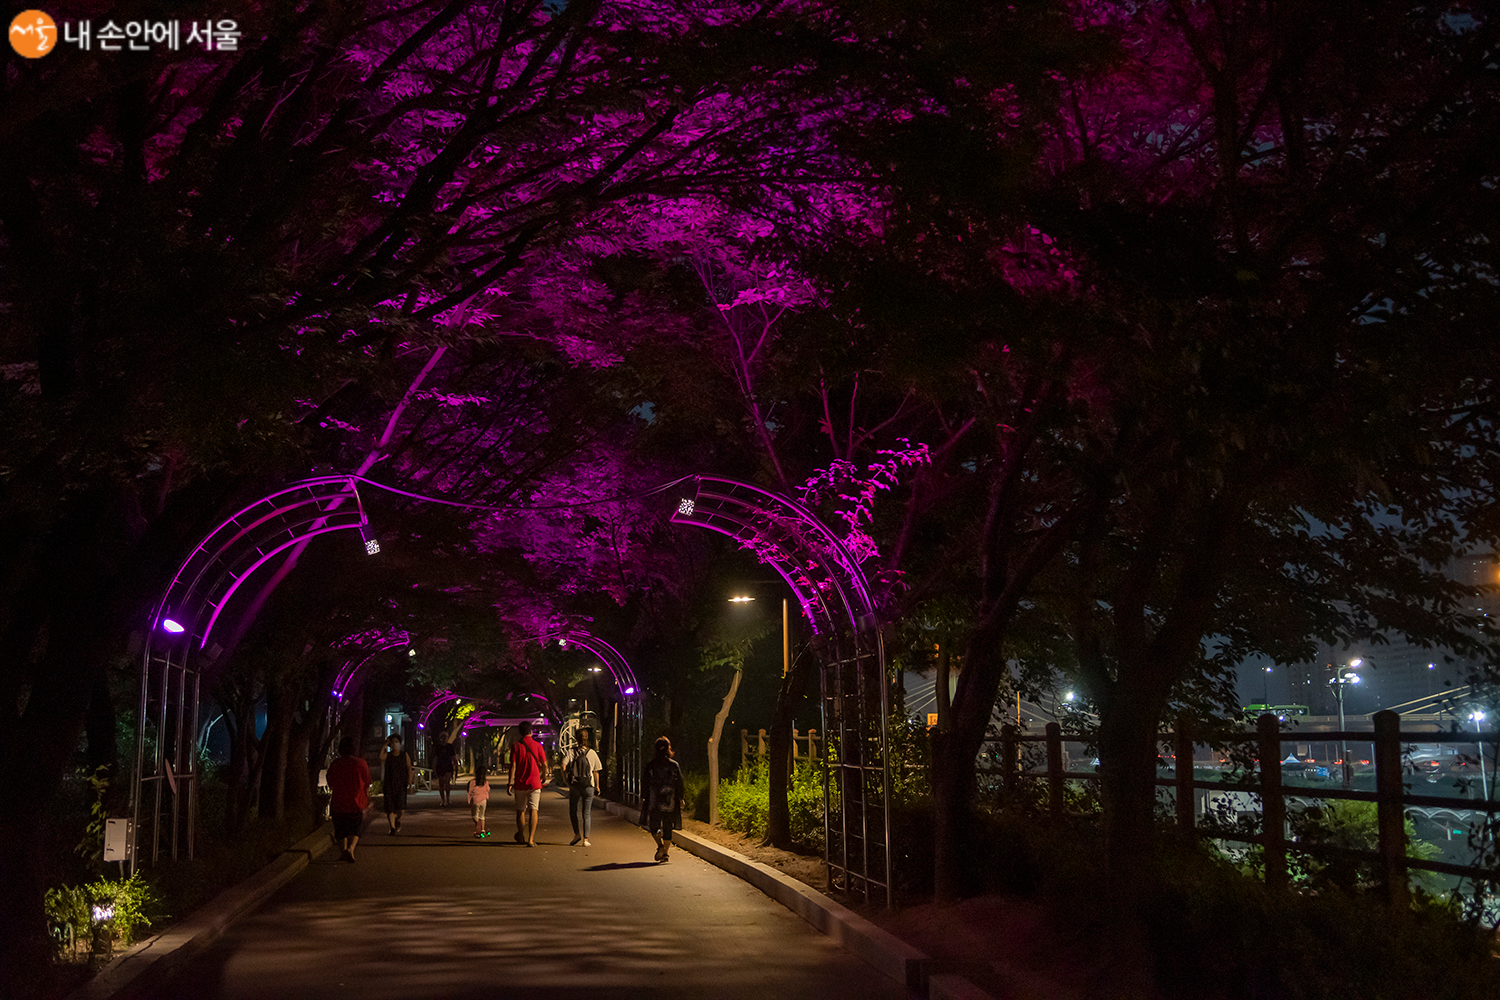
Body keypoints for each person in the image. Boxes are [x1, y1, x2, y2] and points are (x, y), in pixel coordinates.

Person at [640, 736, 684, 863]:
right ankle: (666, 853)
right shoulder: (674, 765)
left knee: (654, 825)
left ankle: (660, 846)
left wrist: (644, 797)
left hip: (654, 800)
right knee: (668, 826)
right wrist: (681, 797)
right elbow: (679, 783)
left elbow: (645, 782)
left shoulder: (651, 765)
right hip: (670, 800)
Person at [326, 736, 370, 863]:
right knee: (356, 829)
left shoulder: (336, 763)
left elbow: (330, 780)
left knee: (340, 830)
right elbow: (367, 781)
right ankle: (351, 849)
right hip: (356, 802)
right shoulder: (361, 763)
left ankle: (344, 851)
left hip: (338, 802)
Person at [507, 720, 548, 847]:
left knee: (520, 810)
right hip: (534, 783)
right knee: (533, 810)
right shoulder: (537, 745)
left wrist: (510, 783)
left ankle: (521, 834)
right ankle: (530, 839)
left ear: (520, 732)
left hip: (520, 783)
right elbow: (545, 764)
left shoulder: (515, 746)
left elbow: (513, 766)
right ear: (531, 731)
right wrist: (544, 775)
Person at [564, 730, 602, 847]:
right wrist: (597, 786)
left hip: (575, 785)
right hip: (588, 785)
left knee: (573, 811)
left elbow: (563, 765)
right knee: (586, 813)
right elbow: (596, 771)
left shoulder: (571, 752)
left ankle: (577, 834)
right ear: (587, 738)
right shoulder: (592, 753)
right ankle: (586, 839)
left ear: (576, 738)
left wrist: (566, 780)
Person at [380, 734, 413, 835]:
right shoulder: (388, 755)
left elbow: (409, 767)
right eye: (393, 742)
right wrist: (385, 745)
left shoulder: (404, 755)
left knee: (401, 809)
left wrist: (410, 781)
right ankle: (392, 828)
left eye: (397, 742)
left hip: (401, 784)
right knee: (389, 807)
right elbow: (381, 757)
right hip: (389, 784)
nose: (395, 744)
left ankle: (396, 820)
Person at [432, 730, 459, 806]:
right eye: (443, 737)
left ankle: (447, 798)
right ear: (440, 738)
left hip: (448, 766)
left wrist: (455, 765)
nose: (444, 738)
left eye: (445, 737)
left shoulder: (450, 747)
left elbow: (453, 757)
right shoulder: (437, 747)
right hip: (440, 766)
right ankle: (442, 800)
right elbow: (435, 758)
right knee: (441, 783)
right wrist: (434, 767)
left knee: (447, 782)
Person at [467, 763, 491, 838]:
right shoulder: (485, 782)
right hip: (483, 800)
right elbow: (488, 789)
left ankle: (478, 827)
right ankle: (482, 830)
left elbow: (469, 791)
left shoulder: (472, 782)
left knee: (475, 816)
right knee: (482, 816)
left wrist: (469, 801)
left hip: (475, 800)